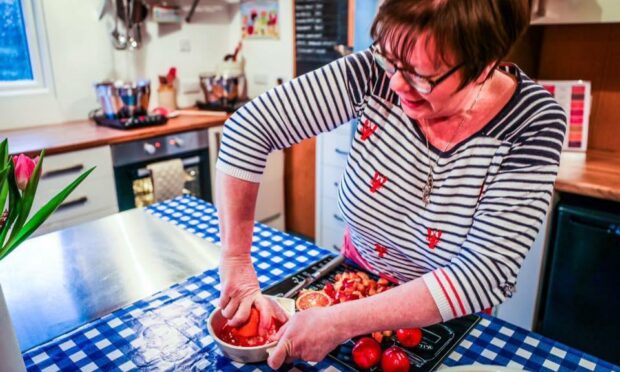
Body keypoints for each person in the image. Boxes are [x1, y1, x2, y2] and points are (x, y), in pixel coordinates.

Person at [215, 0, 566, 369]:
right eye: (389, 58)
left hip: (448, 320)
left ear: (485, 63)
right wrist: (235, 259)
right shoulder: (376, 72)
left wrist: (339, 323)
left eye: (421, 76)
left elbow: (482, 273)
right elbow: (249, 129)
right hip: (352, 284)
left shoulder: (533, 124)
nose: (395, 82)